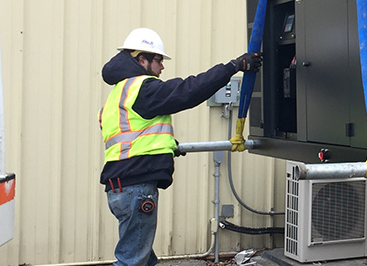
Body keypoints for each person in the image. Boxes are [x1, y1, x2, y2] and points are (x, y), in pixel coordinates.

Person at [98, 27, 262, 266]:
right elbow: (189, 90)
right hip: (136, 186)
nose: (162, 67)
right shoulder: (142, 89)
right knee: (132, 261)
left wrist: (167, 146)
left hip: (120, 189)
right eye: (158, 60)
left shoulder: (117, 96)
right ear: (140, 58)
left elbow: (133, 137)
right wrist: (233, 66)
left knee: (143, 257)